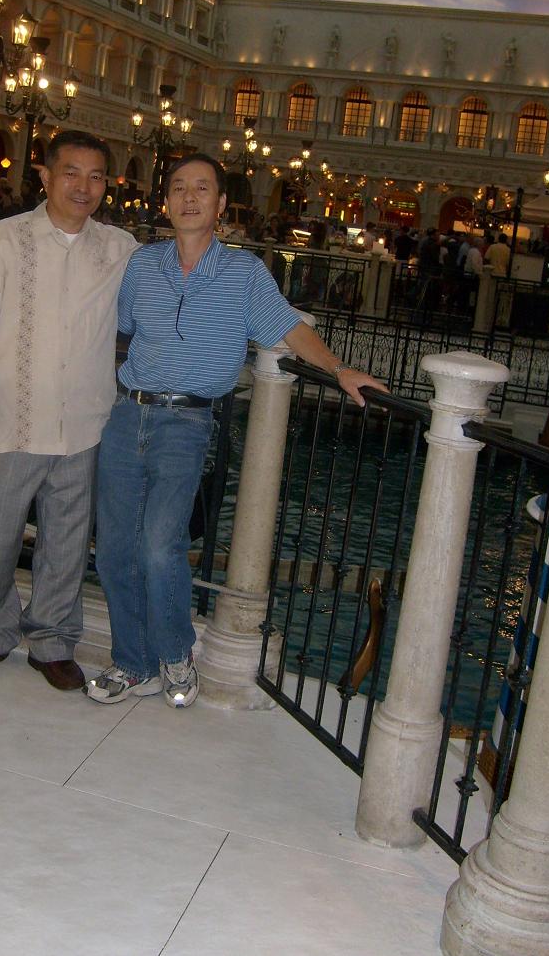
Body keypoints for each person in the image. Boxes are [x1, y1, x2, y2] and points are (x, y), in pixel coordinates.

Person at [85, 153, 387, 709]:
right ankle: (132, 661)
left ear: (221, 204)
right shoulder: (142, 265)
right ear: (166, 201)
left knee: (159, 546)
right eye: (179, 187)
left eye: (202, 188)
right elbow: (116, 327)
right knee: (113, 550)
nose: (189, 197)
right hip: (126, 414)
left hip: (186, 422)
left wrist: (340, 369)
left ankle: (174, 653)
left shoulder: (243, 274)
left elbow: (290, 328)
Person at [0, 131, 137, 689]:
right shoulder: (4, 239)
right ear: (46, 177)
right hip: (10, 414)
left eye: (95, 176)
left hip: (85, 422)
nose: (83, 186)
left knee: (68, 540)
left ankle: (52, 641)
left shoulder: (120, 248)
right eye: (71, 173)